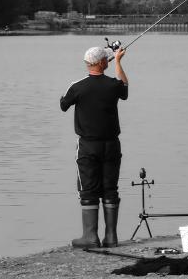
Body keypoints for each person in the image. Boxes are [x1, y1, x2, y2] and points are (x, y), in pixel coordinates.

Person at [60, 46, 128, 248]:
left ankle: (90, 237)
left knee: (88, 189)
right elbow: (124, 87)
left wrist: (112, 60)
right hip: (112, 145)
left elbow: (63, 105)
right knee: (110, 188)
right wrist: (118, 61)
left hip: (88, 146)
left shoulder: (77, 86)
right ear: (103, 63)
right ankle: (111, 237)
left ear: (88, 64)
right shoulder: (113, 85)